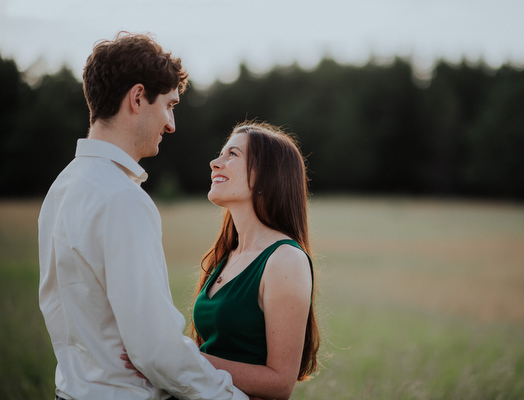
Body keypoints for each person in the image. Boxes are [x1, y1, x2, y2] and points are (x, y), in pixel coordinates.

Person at [38, 31, 248, 400]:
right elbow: (157, 351)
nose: (171, 124)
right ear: (137, 98)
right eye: (169, 105)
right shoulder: (122, 198)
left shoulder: (63, 187)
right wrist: (231, 397)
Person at [123, 121, 321, 399]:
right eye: (221, 153)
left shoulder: (285, 260)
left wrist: (176, 360)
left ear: (267, 174)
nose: (215, 162)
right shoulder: (227, 254)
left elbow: (279, 384)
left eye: (233, 155)